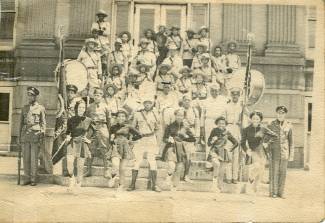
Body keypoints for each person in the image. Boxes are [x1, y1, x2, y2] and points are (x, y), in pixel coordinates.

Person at [127, 96, 161, 192]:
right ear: (143, 103)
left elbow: (158, 128)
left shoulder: (155, 114)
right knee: (137, 160)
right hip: (141, 139)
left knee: (152, 161)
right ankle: (132, 184)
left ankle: (154, 185)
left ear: (152, 104)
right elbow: (132, 127)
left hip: (151, 138)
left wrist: (157, 141)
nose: (147, 104)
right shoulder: (138, 114)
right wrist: (135, 136)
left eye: (149, 103)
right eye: (146, 102)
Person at [241, 111, 277, 194]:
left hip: (262, 151)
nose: (255, 120)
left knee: (260, 171)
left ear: (260, 119)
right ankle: (250, 180)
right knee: (256, 167)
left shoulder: (263, 128)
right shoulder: (246, 129)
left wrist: (266, 142)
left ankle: (254, 190)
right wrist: (246, 150)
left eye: (257, 118)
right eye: (253, 118)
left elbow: (275, 136)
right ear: (251, 119)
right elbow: (242, 142)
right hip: (252, 151)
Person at [161, 108, 196, 188]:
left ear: (184, 117)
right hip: (171, 148)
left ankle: (174, 187)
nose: (180, 117)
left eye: (181, 115)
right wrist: (169, 139)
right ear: (175, 116)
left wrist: (185, 137)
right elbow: (164, 138)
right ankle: (168, 178)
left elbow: (193, 139)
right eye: (178, 115)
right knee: (172, 166)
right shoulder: (170, 126)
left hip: (181, 149)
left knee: (179, 168)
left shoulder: (186, 127)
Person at [19, 87, 46, 186]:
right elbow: (21, 124)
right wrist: (19, 137)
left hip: (35, 136)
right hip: (25, 136)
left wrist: (42, 135)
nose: (29, 97)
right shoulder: (24, 108)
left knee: (34, 159)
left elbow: (43, 123)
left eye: (31, 95)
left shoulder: (40, 108)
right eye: (28, 95)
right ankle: (27, 178)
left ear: (35, 96)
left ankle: (33, 179)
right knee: (26, 158)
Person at [109, 109, 142, 189]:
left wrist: (131, 141)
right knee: (115, 164)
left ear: (125, 118)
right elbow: (110, 139)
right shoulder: (113, 127)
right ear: (116, 117)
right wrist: (111, 139)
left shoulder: (129, 126)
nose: (121, 118)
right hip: (115, 147)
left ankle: (120, 187)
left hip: (125, 148)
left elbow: (139, 135)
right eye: (119, 116)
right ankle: (113, 176)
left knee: (122, 169)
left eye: (123, 116)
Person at [267, 106, 294, 198]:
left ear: (285, 114)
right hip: (274, 151)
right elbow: (267, 138)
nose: (280, 114)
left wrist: (291, 155)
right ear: (276, 113)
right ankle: (274, 192)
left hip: (284, 152)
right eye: (278, 112)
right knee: (275, 172)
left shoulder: (289, 125)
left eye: (282, 113)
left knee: (283, 173)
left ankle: (281, 192)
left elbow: (291, 141)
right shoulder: (271, 124)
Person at [65, 101, 93, 191]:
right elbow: (68, 131)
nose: (81, 109)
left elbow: (95, 132)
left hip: (82, 144)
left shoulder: (88, 120)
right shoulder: (71, 119)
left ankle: (78, 184)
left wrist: (89, 140)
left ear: (85, 109)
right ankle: (71, 179)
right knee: (69, 162)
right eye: (80, 107)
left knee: (80, 166)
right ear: (76, 108)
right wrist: (68, 136)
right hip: (72, 142)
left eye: (83, 108)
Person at [85, 88, 110, 178]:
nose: (96, 97)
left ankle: (106, 170)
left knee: (104, 149)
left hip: (102, 128)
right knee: (90, 149)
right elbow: (87, 119)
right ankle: (88, 170)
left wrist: (109, 133)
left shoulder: (106, 107)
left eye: (98, 95)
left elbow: (109, 120)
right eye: (95, 95)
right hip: (92, 128)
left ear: (101, 96)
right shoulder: (89, 107)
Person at [207, 116, 238, 189]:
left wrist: (230, 149)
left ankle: (219, 187)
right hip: (214, 150)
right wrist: (212, 141)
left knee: (221, 172)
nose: (221, 125)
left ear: (225, 124)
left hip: (223, 152)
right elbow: (208, 143)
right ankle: (214, 185)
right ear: (217, 124)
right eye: (219, 123)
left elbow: (236, 143)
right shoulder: (214, 131)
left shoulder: (227, 132)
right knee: (217, 164)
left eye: (223, 123)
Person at [225, 87, 244, 184]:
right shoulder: (227, 106)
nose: (235, 96)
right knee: (229, 154)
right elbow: (223, 119)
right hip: (229, 128)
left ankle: (235, 177)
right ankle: (228, 177)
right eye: (233, 95)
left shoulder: (241, 107)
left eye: (237, 95)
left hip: (237, 129)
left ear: (239, 96)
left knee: (236, 155)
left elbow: (244, 120)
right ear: (231, 95)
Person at [202, 84, 228, 155]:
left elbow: (224, 113)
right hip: (209, 122)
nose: (214, 92)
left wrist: (224, 125)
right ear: (210, 92)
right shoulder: (206, 101)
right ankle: (209, 163)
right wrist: (202, 127)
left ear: (219, 91)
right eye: (212, 91)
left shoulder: (222, 101)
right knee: (210, 141)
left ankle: (218, 160)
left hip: (219, 123)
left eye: (216, 91)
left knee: (219, 141)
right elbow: (202, 115)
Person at [178, 95, 200, 182]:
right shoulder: (179, 110)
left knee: (189, 156)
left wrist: (197, 136)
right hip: (181, 133)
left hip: (191, 133)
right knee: (181, 155)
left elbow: (197, 124)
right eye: (185, 100)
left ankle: (186, 175)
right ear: (182, 101)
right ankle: (179, 174)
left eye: (188, 100)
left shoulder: (194, 111)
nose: (187, 102)